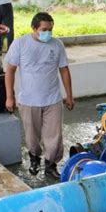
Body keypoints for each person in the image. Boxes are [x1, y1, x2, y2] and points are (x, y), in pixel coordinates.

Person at [4, 12, 74, 179]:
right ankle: (34, 158)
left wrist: (69, 96)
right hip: (28, 101)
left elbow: (64, 70)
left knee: (54, 135)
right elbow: (10, 70)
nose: (48, 33)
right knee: (31, 136)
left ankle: (51, 164)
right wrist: (9, 96)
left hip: (53, 99)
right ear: (34, 28)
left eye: (50, 29)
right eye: (44, 29)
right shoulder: (20, 44)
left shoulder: (57, 45)